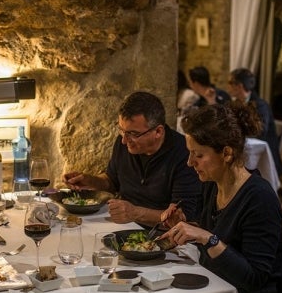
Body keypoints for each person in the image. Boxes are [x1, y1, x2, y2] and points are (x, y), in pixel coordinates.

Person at [158, 103, 282, 293]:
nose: (189, 163)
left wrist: (207, 238)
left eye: (198, 155)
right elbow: (219, 234)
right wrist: (186, 226)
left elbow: (254, 279)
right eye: (189, 153)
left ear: (227, 153)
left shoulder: (259, 199)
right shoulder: (212, 184)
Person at [63, 91, 202, 226]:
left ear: (158, 131)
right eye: (122, 130)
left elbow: (180, 218)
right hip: (125, 226)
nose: (124, 140)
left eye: (133, 133)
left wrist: (135, 213)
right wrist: (89, 180)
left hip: (161, 236)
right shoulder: (125, 143)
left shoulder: (184, 153)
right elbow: (112, 182)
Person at [228, 67, 282, 175]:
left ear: (239, 86)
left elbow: (260, 132)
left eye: (230, 83)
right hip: (247, 150)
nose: (228, 86)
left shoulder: (260, 105)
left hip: (261, 158)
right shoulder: (236, 103)